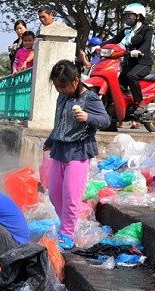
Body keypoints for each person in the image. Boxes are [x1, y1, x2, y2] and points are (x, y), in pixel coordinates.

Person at [43, 60, 110, 250]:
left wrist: (88, 118)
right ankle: (68, 225)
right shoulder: (62, 98)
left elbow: (105, 120)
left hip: (79, 151)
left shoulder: (90, 98)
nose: (60, 90)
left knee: (71, 197)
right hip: (60, 150)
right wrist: (49, 141)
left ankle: (67, 233)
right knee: (55, 195)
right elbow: (60, 124)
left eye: (63, 86)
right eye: (56, 86)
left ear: (76, 80)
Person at [102, 3, 153, 117]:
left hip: (143, 62)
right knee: (117, 84)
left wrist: (139, 51)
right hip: (129, 63)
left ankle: (141, 103)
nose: (127, 18)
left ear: (138, 16)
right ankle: (114, 111)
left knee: (131, 76)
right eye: (126, 16)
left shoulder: (147, 29)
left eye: (129, 16)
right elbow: (114, 40)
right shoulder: (127, 30)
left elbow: (147, 44)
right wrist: (99, 46)